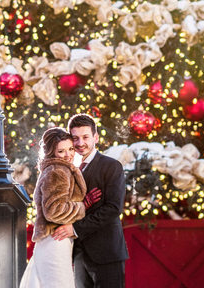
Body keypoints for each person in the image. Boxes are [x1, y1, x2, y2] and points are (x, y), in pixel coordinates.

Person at [52, 113, 128, 288]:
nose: (80, 143)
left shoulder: (111, 166)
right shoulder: (68, 168)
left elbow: (113, 208)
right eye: (75, 138)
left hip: (106, 253)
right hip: (79, 253)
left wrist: (75, 228)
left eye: (85, 137)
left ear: (95, 137)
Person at [20, 127, 102, 288]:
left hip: (53, 239)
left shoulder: (58, 169)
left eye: (70, 149)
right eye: (61, 151)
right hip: (55, 239)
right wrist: (83, 206)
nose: (68, 155)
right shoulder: (58, 171)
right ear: (52, 153)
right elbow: (54, 211)